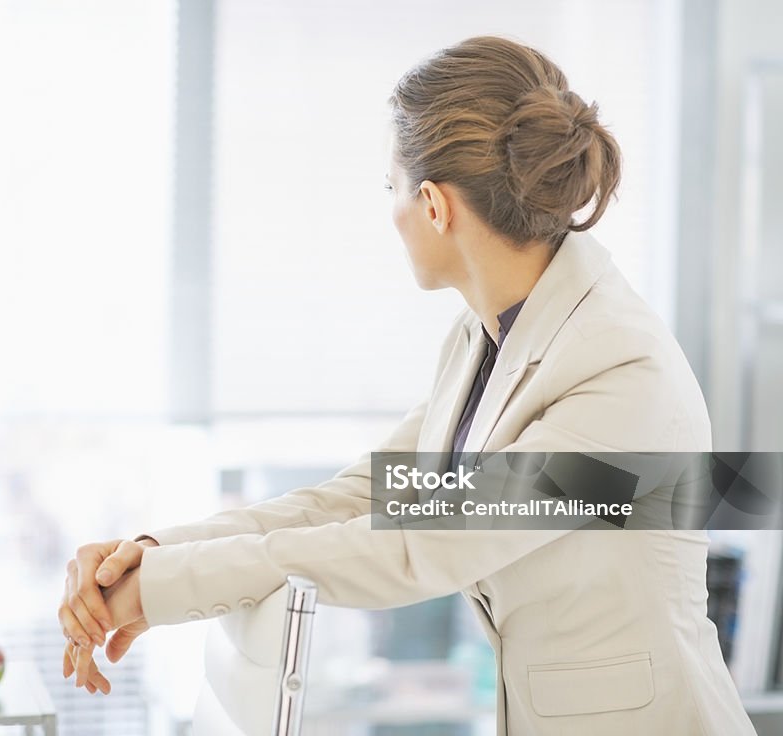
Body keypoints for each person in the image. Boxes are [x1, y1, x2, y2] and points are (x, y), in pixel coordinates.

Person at [57, 36, 756, 735]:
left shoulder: (621, 373)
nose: (388, 211)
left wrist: (161, 591)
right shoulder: (486, 337)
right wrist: (153, 555)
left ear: (432, 205)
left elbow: (422, 543)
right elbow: (362, 497)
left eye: (388, 187)